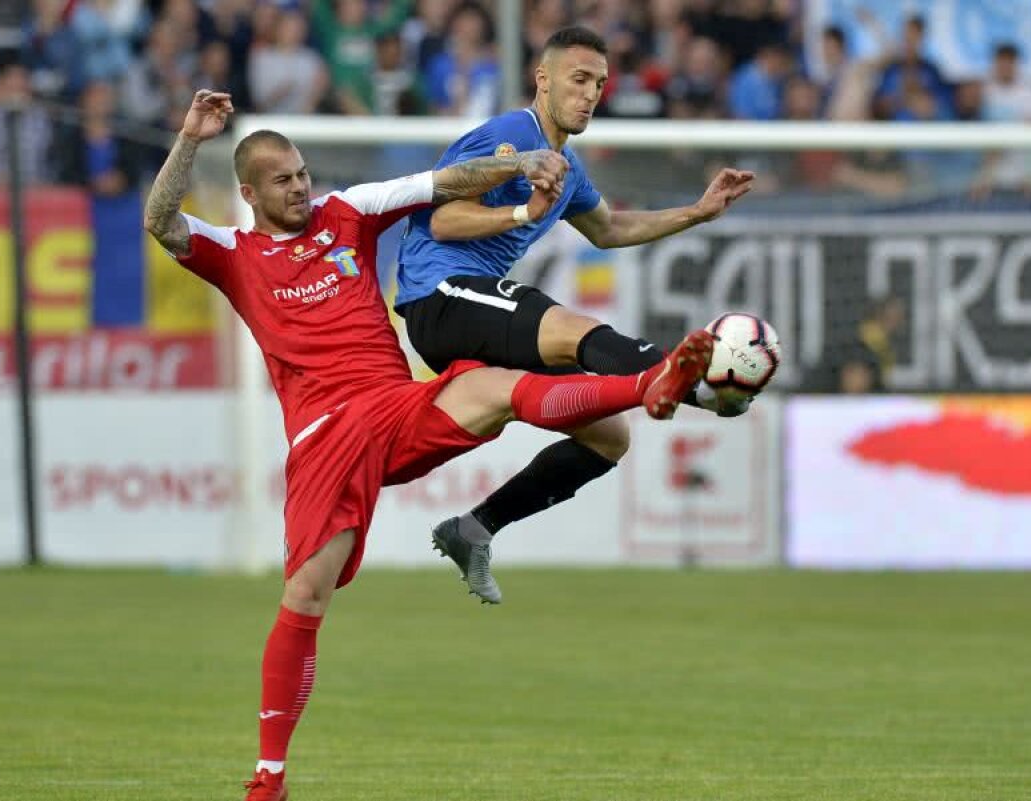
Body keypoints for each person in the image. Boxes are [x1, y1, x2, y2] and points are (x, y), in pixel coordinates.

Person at [143, 89, 716, 801]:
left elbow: (440, 185)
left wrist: (525, 166)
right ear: (250, 192)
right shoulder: (236, 252)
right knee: (305, 595)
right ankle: (270, 775)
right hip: (325, 434)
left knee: (498, 388)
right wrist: (191, 136)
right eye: (284, 180)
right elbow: (159, 219)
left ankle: (651, 385)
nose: (300, 187)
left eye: (302, 173)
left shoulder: (347, 213)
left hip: (393, 405)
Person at [394, 26, 755, 604]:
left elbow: (610, 229)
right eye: (579, 80)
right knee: (570, 330)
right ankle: (701, 391)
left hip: (476, 302)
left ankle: (475, 527)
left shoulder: (568, 167)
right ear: (543, 81)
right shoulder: (512, 135)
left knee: (608, 438)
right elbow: (442, 220)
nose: (590, 94)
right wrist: (519, 212)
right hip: (441, 295)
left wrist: (697, 212)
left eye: (601, 84)